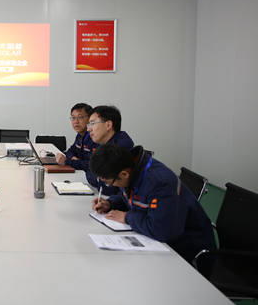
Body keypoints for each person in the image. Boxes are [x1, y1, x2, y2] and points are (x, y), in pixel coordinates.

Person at [90, 144, 216, 277]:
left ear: (124, 174)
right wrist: (111, 203)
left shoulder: (159, 183)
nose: (109, 185)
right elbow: (131, 198)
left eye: (108, 182)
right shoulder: (131, 168)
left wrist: (127, 217)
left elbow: (162, 231)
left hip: (187, 251)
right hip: (165, 242)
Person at [86, 105, 135, 194]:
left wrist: (98, 179)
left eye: (92, 124)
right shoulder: (102, 143)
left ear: (108, 125)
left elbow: (110, 188)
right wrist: (98, 178)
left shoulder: (120, 146)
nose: (88, 129)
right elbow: (89, 169)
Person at [58, 103, 99, 171]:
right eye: (73, 118)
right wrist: (72, 158)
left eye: (80, 117)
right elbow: (70, 151)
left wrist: (67, 162)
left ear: (90, 119)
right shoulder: (79, 135)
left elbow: (91, 164)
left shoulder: (95, 137)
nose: (76, 122)